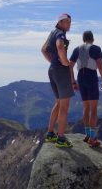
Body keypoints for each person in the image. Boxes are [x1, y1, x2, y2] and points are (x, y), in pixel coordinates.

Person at [70, 30, 102, 147]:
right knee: (93, 109)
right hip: (91, 76)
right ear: (92, 38)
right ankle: (92, 138)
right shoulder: (96, 48)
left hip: (80, 77)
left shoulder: (76, 49)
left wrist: (73, 82)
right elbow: (100, 66)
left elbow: (69, 66)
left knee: (86, 107)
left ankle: (87, 134)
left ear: (83, 39)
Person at [41, 13, 74, 148]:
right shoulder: (60, 34)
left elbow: (43, 50)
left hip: (53, 70)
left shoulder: (52, 33)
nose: (68, 24)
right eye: (66, 22)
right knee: (64, 106)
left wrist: (53, 62)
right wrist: (65, 63)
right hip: (61, 71)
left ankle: (50, 133)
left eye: (69, 22)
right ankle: (60, 138)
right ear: (60, 22)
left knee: (59, 103)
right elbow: (60, 47)